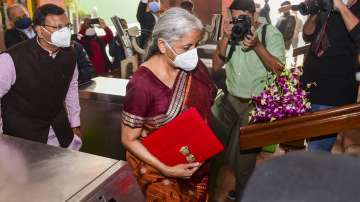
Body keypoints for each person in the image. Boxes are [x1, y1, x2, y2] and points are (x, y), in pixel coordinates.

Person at [121, 8, 217, 201]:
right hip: (157, 168)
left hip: (194, 160)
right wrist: (167, 169)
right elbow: (128, 139)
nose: (193, 53)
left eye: (196, 45)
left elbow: (207, 106)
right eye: (186, 47)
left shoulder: (194, 68)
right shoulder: (142, 83)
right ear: (163, 46)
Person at [211, 0, 285, 200]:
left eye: (242, 18)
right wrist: (225, 37)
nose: (238, 23)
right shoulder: (232, 33)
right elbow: (216, 65)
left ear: (254, 15)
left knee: (244, 161)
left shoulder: (270, 33)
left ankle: (244, 195)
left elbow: (280, 70)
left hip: (256, 105)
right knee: (215, 151)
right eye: (234, 19)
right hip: (231, 100)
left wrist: (257, 46)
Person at [0, 4, 81, 150]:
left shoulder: (71, 53)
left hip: (60, 130)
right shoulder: (11, 59)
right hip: (23, 138)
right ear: (39, 30)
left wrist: (75, 122)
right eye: (57, 27)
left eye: (66, 26)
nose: (64, 32)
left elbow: (71, 86)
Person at [301, 0, 360, 152]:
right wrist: (313, 13)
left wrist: (340, 7)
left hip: (333, 92)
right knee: (309, 140)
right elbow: (307, 35)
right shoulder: (326, 4)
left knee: (317, 149)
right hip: (309, 86)